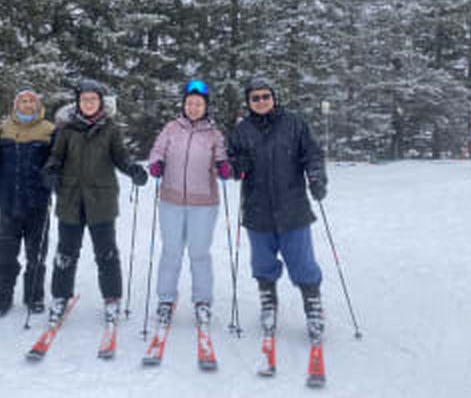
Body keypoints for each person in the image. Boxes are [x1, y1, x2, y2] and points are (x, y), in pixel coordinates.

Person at [227, 77, 327, 344]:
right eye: (255, 98)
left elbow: (312, 154)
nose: (261, 101)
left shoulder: (294, 123)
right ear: (248, 102)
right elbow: (231, 162)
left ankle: (313, 305)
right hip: (257, 207)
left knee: (302, 260)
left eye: (265, 96)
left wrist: (316, 177)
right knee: (262, 261)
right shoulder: (242, 130)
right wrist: (235, 166)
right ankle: (268, 300)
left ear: (274, 97)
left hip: (292, 205)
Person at [42, 79, 148, 324]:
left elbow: (120, 156)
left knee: (107, 253)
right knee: (66, 253)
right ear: (78, 103)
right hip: (70, 199)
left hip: (101, 200)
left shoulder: (110, 129)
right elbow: (56, 156)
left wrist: (133, 170)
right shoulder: (67, 129)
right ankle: (60, 298)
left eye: (93, 99)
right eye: (84, 99)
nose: (89, 103)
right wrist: (50, 170)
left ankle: (112, 299)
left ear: (100, 102)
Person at [147, 80, 231, 328]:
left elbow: (222, 157)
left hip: (204, 203)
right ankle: (166, 300)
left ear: (206, 106)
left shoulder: (214, 134)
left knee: (199, 253)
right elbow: (157, 151)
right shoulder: (171, 128)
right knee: (171, 251)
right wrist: (157, 163)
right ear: (183, 105)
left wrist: (224, 166)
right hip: (171, 200)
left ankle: (202, 301)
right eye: (190, 103)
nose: (193, 107)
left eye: (198, 104)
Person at [0, 87, 55, 318]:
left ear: (38, 106)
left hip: (38, 202)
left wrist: (52, 175)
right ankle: (3, 298)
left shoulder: (49, 130)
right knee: (5, 254)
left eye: (32, 101)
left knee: (36, 253)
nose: (28, 105)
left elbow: (59, 160)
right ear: (16, 105)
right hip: (8, 201)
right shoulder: (3, 129)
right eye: (23, 101)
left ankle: (34, 296)